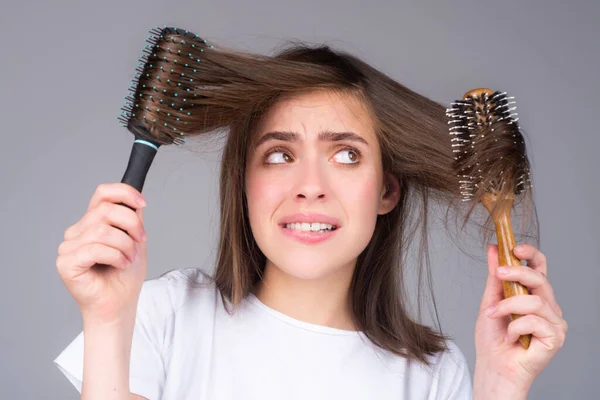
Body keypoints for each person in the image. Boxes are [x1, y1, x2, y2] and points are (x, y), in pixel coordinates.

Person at [53, 41, 567, 400]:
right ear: (244, 185)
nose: (310, 185)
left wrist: (502, 389)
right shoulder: (166, 317)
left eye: (346, 155)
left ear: (387, 189)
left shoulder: (432, 377)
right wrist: (106, 320)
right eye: (279, 155)